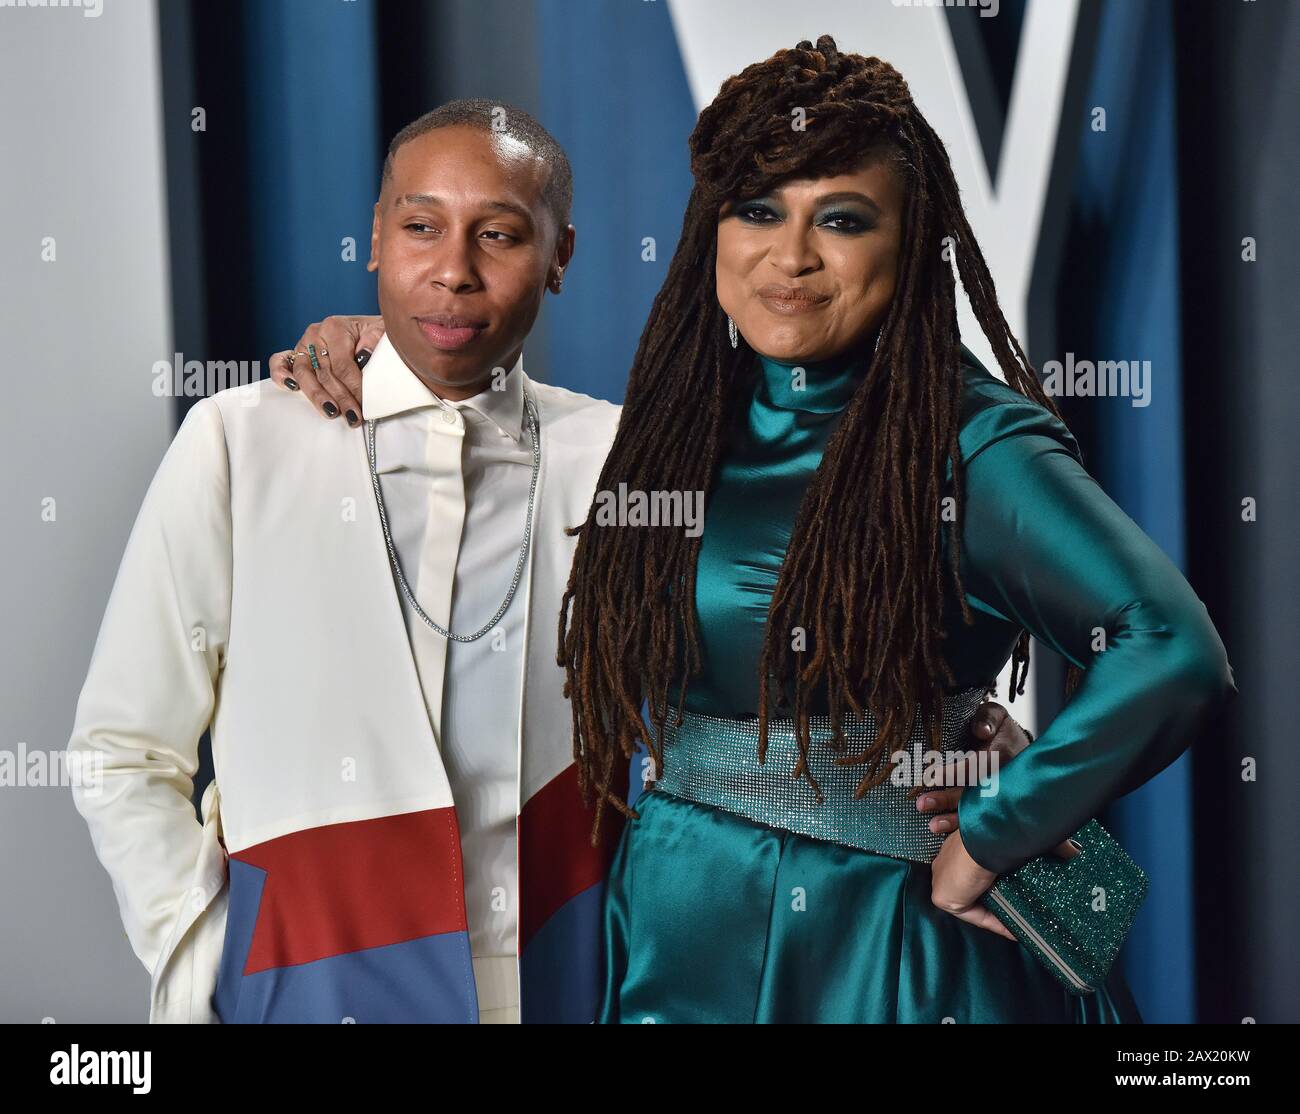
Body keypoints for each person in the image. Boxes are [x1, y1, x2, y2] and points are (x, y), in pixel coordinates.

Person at [67, 102, 630, 1023]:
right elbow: (122, 749)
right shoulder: (241, 440)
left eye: (499, 234)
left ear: (560, 257)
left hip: (556, 982)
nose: (453, 270)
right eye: (420, 227)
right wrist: (208, 950)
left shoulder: (619, 460)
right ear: (375, 239)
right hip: (308, 985)